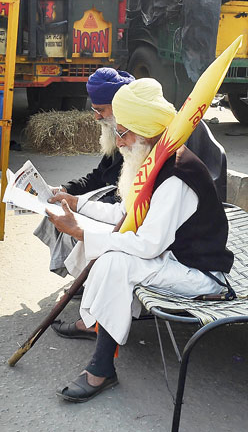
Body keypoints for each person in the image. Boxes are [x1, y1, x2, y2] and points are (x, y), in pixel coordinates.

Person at [46, 78, 234, 402]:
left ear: (146, 132)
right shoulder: (153, 157)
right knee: (106, 245)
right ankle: (95, 326)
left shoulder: (175, 174)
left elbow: (147, 245)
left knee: (115, 260)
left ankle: (102, 368)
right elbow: (125, 212)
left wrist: (82, 232)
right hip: (170, 256)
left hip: (200, 275)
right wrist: (78, 206)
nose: (119, 143)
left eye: (123, 132)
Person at [33, 68, 132, 278]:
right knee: (57, 206)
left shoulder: (135, 136)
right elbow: (98, 176)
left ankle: (87, 275)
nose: (96, 117)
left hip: (121, 209)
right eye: (94, 110)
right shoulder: (117, 132)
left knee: (71, 215)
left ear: (119, 107)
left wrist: (81, 204)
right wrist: (66, 189)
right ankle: (81, 273)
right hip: (108, 201)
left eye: (101, 110)